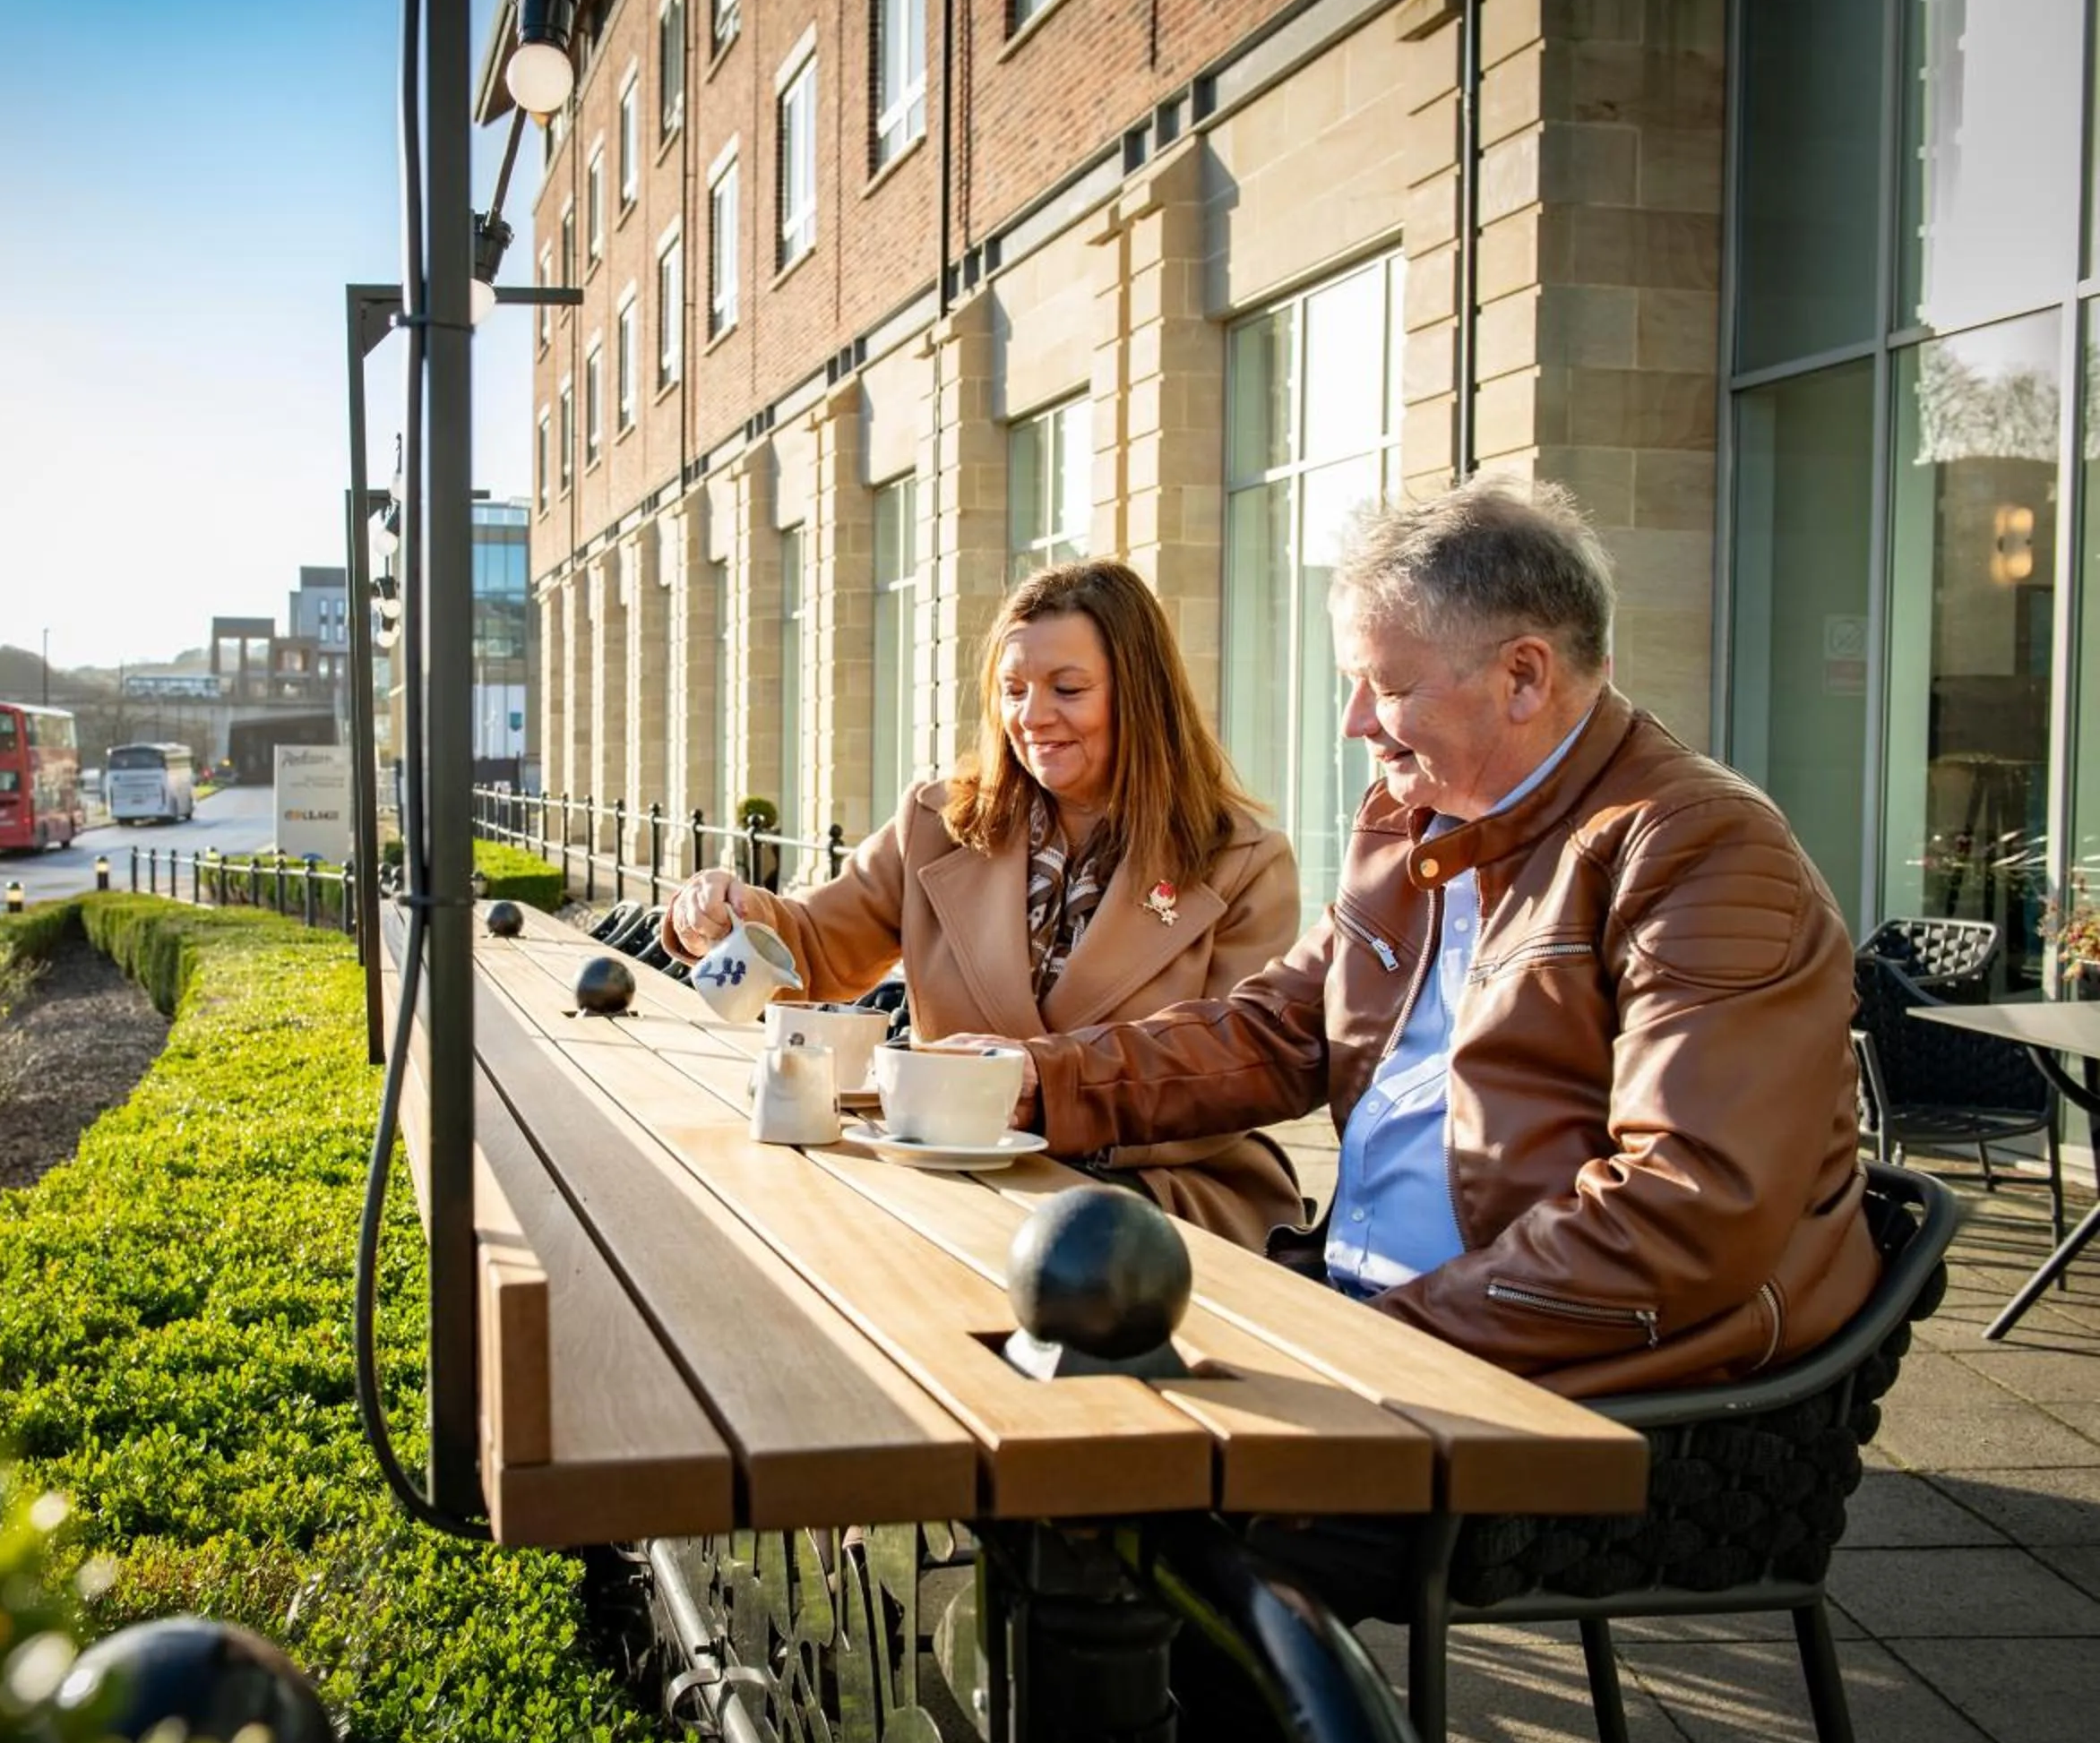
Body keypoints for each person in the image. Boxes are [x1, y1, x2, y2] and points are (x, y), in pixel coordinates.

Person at [974, 477, 1879, 1397]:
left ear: (1524, 676)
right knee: (1011, 1365)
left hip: (1566, 1378)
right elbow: (1278, 1029)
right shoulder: (1415, 820)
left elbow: (1686, 1210)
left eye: (1386, 686)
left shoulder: (1703, 849)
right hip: (1384, 1317)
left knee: (1075, 1426)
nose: (1354, 723)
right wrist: (1032, 1080)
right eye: (1351, 686)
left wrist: (1376, 1339)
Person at [663, 561, 1305, 1247]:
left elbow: (1226, 1070)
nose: (1033, 716)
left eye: (1068, 689)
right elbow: (816, 946)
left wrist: (1047, 1086)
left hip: (1150, 1205)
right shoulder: (938, 823)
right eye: (1013, 689)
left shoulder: (1241, 861)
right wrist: (732, 916)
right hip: (954, 1180)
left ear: (1140, 695)